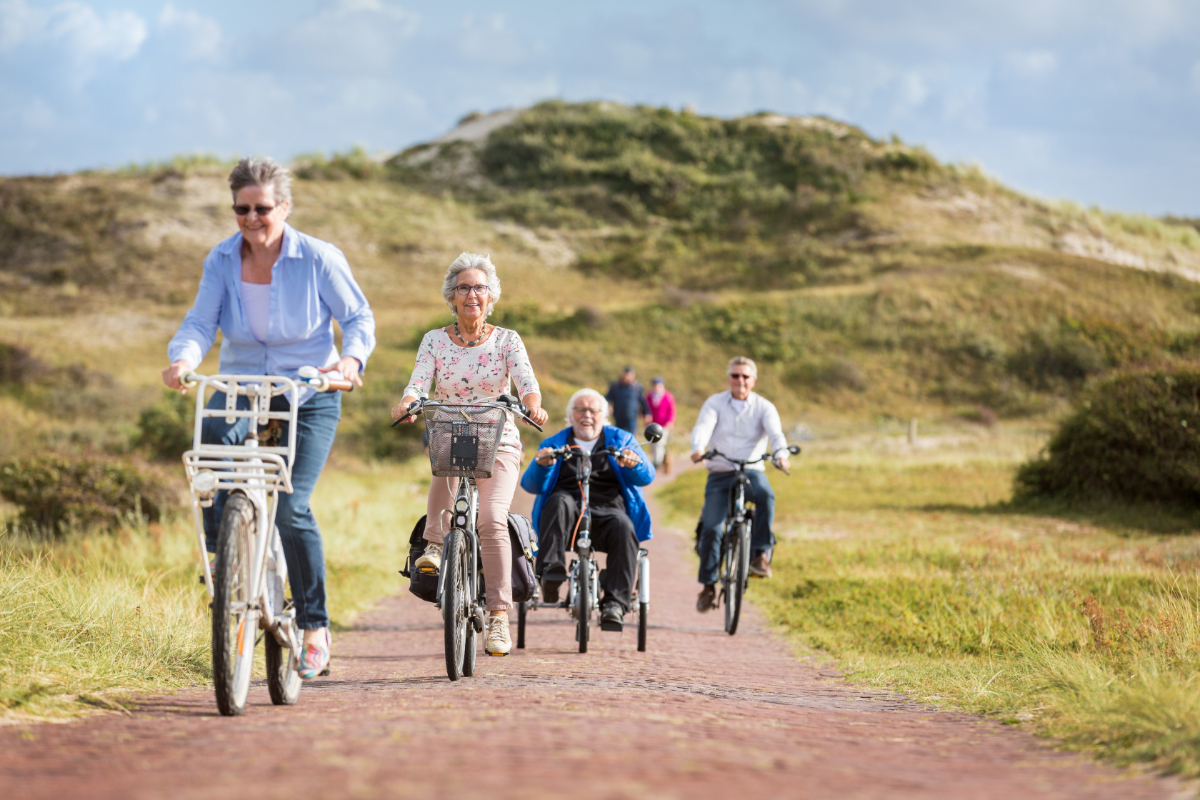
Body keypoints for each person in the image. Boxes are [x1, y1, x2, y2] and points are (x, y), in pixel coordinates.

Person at [163, 156, 376, 678]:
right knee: (211, 454)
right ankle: (224, 554)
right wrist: (183, 360)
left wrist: (349, 362)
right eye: (242, 208)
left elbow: (357, 319)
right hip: (242, 386)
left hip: (308, 391)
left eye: (262, 208)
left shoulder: (318, 258)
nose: (252, 218)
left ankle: (314, 626)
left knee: (291, 504)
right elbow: (200, 321)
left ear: (284, 206)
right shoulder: (222, 259)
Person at [391, 253, 549, 656]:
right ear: (452, 296)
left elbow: (527, 382)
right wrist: (407, 403)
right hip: (449, 432)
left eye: (479, 287)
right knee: (442, 481)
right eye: (464, 287)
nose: (472, 295)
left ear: (490, 295)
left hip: (499, 438)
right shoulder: (434, 340)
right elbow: (418, 382)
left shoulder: (507, 340)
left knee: (492, 519)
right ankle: (432, 549)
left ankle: (498, 616)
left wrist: (533, 404)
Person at [520, 389, 655, 631]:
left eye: (593, 410)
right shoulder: (554, 442)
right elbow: (530, 485)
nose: (587, 415)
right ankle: (551, 574)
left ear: (604, 416)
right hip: (567, 510)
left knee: (624, 526)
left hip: (608, 508)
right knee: (558, 501)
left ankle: (615, 604)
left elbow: (647, 476)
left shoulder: (622, 440)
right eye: (580, 409)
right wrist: (541, 464)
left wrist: (634, 464)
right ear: (570, 416)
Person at [690, 356, 790, 612]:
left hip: (751, 470)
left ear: (753, 380)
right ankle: (708, 586)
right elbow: (703, 426)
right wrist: (698, 448)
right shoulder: (715, 402)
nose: (740, 381)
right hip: (720, 472)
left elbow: (776, 433)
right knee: (713, 528)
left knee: (766, 496)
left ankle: (759, 555)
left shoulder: (764, 407)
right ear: (729, 378)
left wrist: (781, 455)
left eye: (745, 376)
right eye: (736, 375)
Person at [605, 365, 649, 436]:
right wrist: (608, 405)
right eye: (626, 374)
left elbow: (643, 401)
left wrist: (647, 413)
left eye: (629, 375)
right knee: (618, 436)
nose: (627, 377)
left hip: (632, 417)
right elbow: (607, 398)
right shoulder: (615, 386)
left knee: (631, 437)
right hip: (618, 416)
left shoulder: (637, 387)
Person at [646, 377, 676, 474]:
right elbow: (645, 409)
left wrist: (670, 421)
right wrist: (646, 416)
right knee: (653, 444)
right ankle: (657, 460)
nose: (656, 387)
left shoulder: (667, 396)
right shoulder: (649, 396)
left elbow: (671, 410)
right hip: (652, 425)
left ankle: (657, 462)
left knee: (660, 443)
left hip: (663, 425)